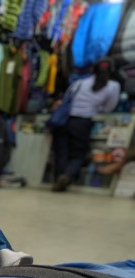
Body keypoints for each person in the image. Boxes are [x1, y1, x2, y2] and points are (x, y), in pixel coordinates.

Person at [51, 59, 121, 192]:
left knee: (61, 152)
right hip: (82, 122)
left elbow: (67, 98)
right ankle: (67, 175)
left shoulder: (80, 83)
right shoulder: (113, 86)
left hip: (63, 121)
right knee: (78, 154)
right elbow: (109, 108)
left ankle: (59, 178)